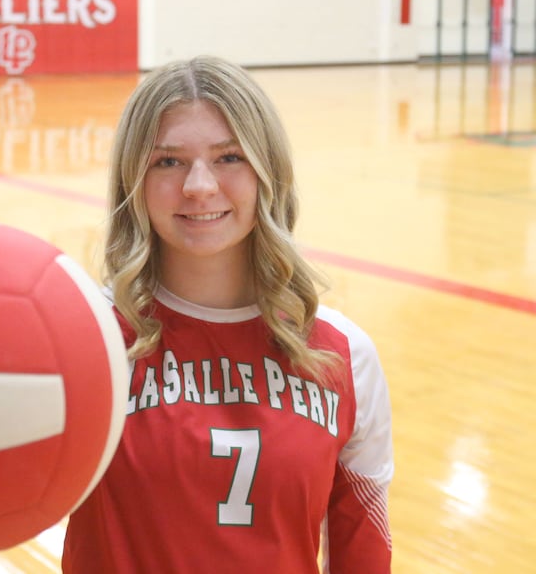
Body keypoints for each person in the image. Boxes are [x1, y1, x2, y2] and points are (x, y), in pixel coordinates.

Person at [62, 56, 393, 574]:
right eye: (167, 162)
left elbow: (363, 553)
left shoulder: (345, 356)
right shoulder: (84, 339)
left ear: (268, 170)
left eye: (229, 157)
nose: (198, 185)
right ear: (134, 180)